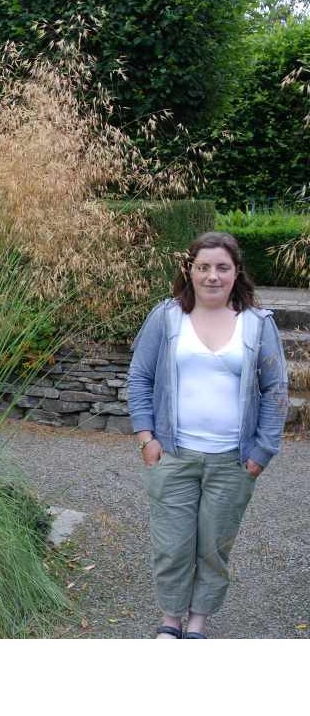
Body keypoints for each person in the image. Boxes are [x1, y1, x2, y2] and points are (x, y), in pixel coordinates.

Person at [127, 231, 289, 639]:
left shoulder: (256, 324)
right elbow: (139, 377)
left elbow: (276, 390)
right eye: (203, 267)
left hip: (233, 461)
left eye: (222, 267)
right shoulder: (166, 318)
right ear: (190, 270)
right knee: (172, 544)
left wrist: (262, 451)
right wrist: (147, 438)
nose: (212, 276)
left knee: (213, 547)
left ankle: (198, 621)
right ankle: (170, 620)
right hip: (173, 456)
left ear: (237, 273)